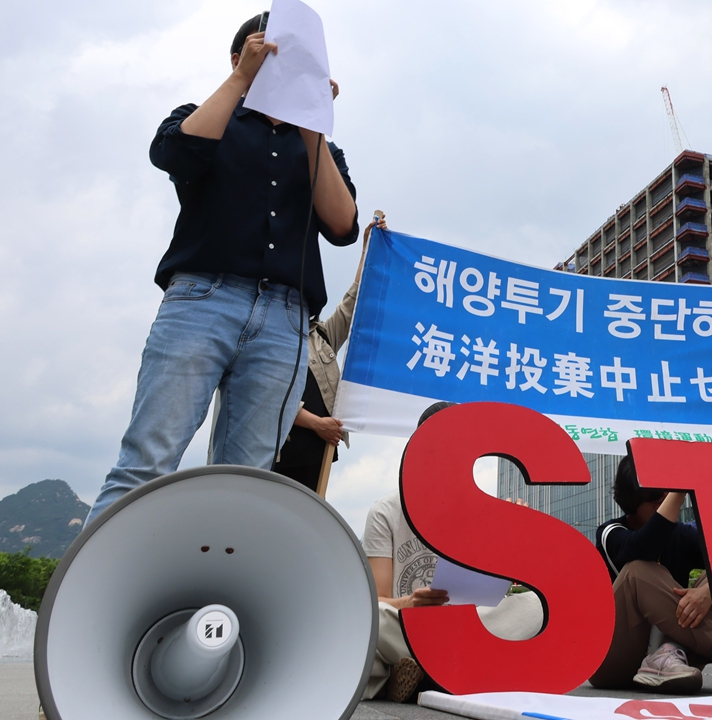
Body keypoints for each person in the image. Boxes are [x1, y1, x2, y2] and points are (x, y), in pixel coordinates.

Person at [86, 13, 359, 524]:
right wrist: (241, 82)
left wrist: (314, 125)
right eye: (274, 57)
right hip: (202, 298)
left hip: (285, 317)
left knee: (247, 479)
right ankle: (87, 599)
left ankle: (213, 600)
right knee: (148, 459)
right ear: (241, 57)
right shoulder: (207, 116)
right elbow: (175, 153)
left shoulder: (317, 145)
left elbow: (343, 225)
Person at [361, 401, 543, 702]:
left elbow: (496, 588)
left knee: (533, 605)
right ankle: (457, 672)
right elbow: (377, 598)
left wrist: (512, 538)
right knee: (370, 614)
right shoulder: (386, 511)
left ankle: (425, 673)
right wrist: (408, 602)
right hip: (410, 626)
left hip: (466, 625)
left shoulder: (482, 510)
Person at [592, 456, 712, 695]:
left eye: (668, 499)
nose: (666, 507)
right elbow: (643, 547)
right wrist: (679, 490)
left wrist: (706, 593)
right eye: (657, 502)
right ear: (632, 502)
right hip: (614, 661)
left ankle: (669, 654)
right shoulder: (611, 533)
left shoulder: (680, 535)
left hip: (676, 660)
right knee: (637, 571)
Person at [273, 215, 385, 490]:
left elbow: (353, 303)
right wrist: (315, 423)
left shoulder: (319, 335)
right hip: (277, 452)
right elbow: (267, 395)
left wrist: (367, 252)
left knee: (305, 523)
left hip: (318, 453)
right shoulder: (267, 337)